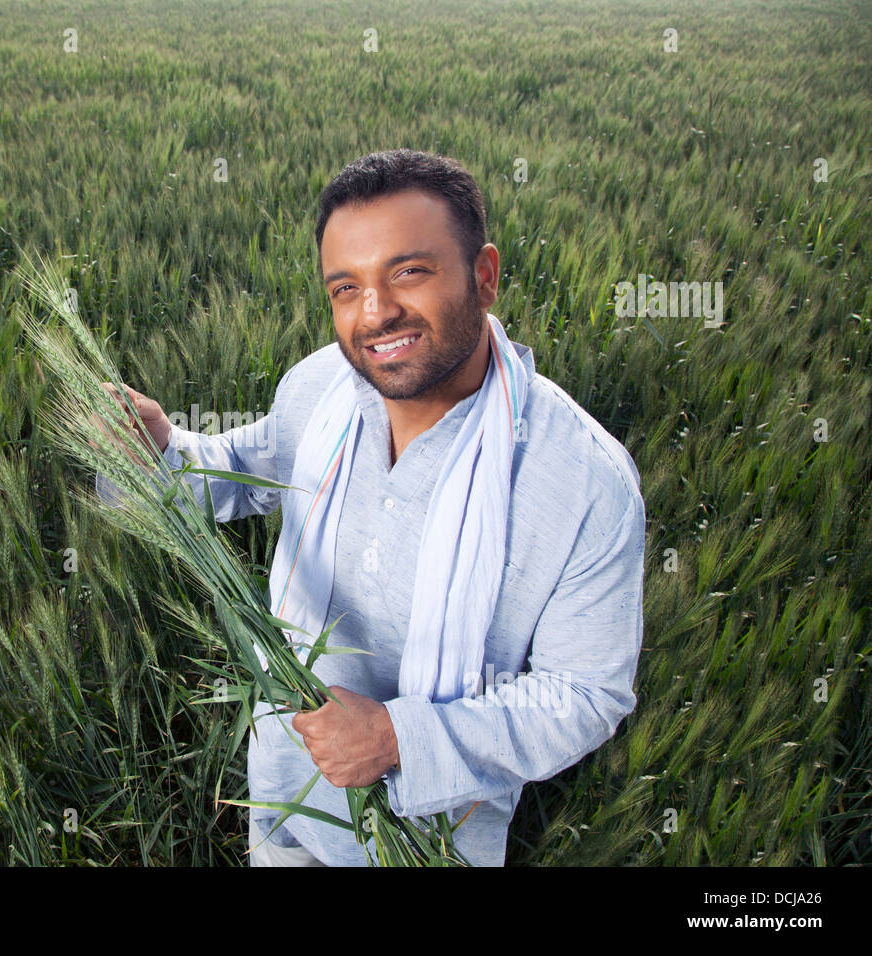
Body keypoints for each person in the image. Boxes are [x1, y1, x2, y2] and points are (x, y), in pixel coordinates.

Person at [95, 149, 646, 866]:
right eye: (345, 287)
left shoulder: (582, 480)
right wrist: (164, 452)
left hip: (432, 838)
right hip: (284, 795)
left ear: (484, 276)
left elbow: (585, 695)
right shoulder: (318, 387)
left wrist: (397, 737)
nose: (375, 312)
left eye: (408, 272)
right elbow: (248, 472)